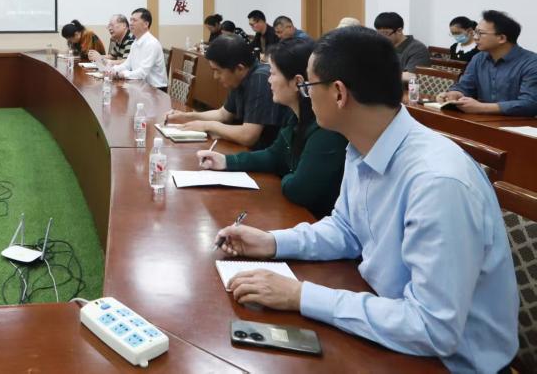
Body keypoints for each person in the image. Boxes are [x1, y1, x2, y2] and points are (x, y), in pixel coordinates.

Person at [214, 26, 517, 373]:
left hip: (447, 361)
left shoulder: (437, 182)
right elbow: (346, 229)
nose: (306, 95)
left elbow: (432, 327)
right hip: (385, 322)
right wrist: (272, 243)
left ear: (338, 93)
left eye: (309, 86)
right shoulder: (362, 145)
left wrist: (300, 295)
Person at [195, 39, 346, 218]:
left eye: (273, 73)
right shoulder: (295, 117)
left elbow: (299, 190)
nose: (268, 80)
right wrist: (226, 161)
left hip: (315, 220)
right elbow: (274, 156)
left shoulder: (326, 128)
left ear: (297, 82)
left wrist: (287, 174)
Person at [164, 34, 289, 149]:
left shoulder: (260, 78)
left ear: (239, 68)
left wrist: (209, 126)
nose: (215, 77)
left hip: (266, 154)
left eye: (218, 71)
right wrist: (187, 116)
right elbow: (223, 115)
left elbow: (248, 136)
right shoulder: (239, 78)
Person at [439, 9, 537, 116]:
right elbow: (465, 86)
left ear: (501, 38)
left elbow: (530, 104)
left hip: (519, 123)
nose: (475, 37)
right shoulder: (478, 58)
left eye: (480, 33)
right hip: (482, 121)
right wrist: (455, 94)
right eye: (475, 32)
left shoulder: (531, 63)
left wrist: (481, 108)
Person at [111, 8, 168, 90]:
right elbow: (127, 64)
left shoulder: (152, 43)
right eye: (130, 20)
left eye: (134, 20)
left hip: (155, 89)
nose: (130, 23)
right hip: (140, 85)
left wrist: (122, 74)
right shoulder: (135, 42)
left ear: (146, 24)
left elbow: (142, 72)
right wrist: (112, 70)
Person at [373, 12, 430, 80]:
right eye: (378, 34)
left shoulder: (417, 49)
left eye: (385, 33)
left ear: (399, 31)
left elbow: (411, 76)